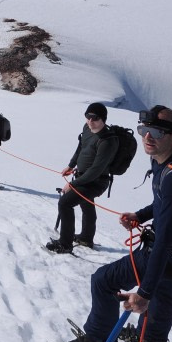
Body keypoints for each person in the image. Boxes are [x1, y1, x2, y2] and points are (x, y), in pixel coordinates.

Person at [64, 106, 172, 342]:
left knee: (103, 280)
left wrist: (143, 294)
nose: (148, 137)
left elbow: (164, 240)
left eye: (157, 131)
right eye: (144, 130)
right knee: (164, 285)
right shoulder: (167, 161)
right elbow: (165, 204)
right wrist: (140, 216)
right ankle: (152, 339)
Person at [46, 103, 119, 254]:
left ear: (103, 119)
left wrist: (73, 185)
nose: (90, 121)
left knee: (65, 203)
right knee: (86, 205)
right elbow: (81, 147)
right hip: (83, 176)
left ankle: (65, 244)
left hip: (97, 181)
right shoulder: (87, 128)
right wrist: (71, 165)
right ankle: (86, 237)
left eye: (95, 118)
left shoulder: (107, 141)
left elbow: (95, 170)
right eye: (88, 117)